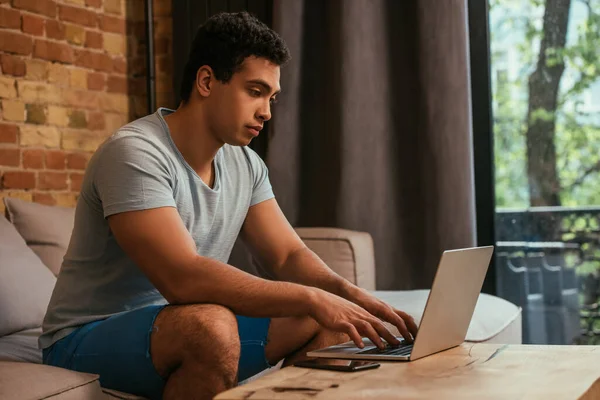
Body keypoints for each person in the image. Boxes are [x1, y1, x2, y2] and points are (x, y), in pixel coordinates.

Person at [39, 11, 418, 400]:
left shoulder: (245, 164)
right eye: (254, 91)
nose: (267, 112)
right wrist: (311, 296)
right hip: (85, 338)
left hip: (182, 325)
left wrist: (349, 295)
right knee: (213, 324)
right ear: (207, 81)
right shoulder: (135, 153)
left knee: (334, 324)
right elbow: (183, 276)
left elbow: (287, 255)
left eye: (271, 97)